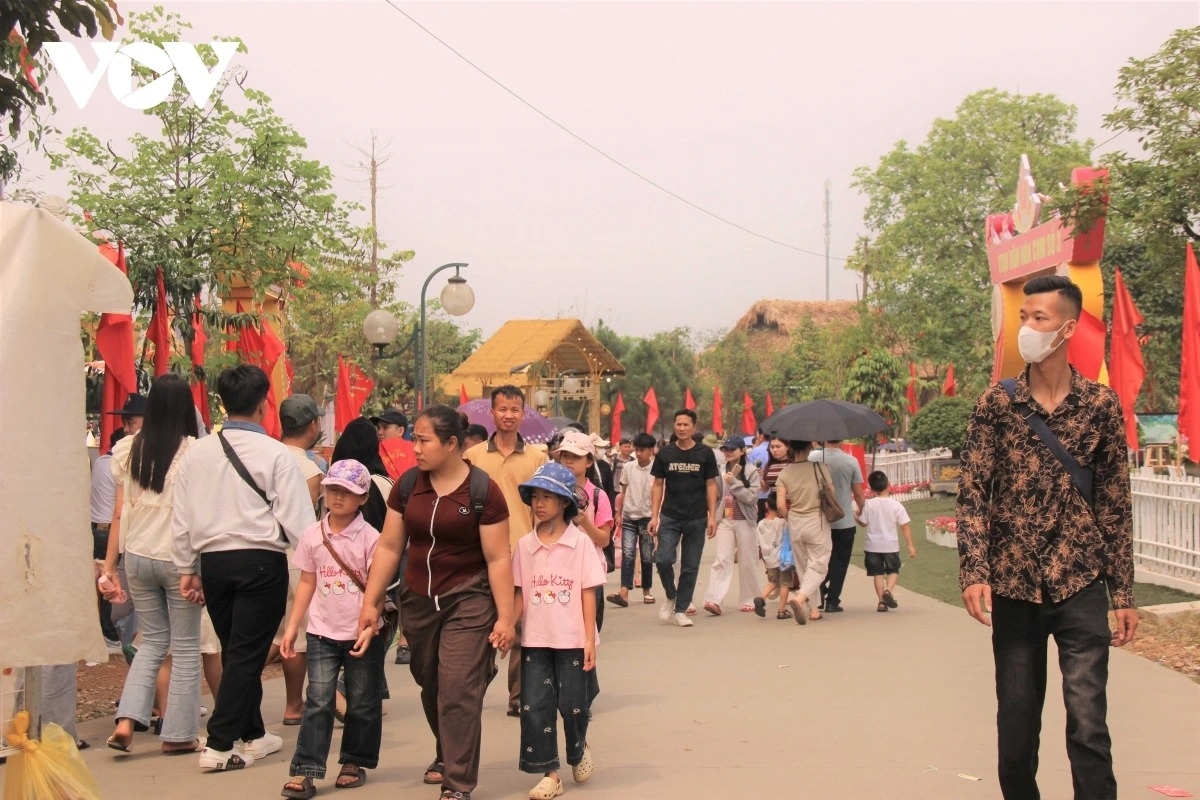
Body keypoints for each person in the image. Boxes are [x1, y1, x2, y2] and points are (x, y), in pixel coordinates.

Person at [957, 275, 1136, 800]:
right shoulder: (997, 404)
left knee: (1088, 725)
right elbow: (972, 492)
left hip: (1080, 585)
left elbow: (1115, 505)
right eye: (1024, 317)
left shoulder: (1100, 406)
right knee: (1016, 731)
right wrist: (974, 570)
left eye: (1040, 318)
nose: (1028, 328)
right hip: (1014, 586)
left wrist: (1121, 594)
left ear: (1068, 328)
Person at [358, 405, 516, 800]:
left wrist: (506, 618)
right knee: (431, 684)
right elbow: (391, 546)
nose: (415, 448)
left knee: (458, 688)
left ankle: (458, 784)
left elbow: (498, 558)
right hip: (418, 601)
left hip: (469, 599)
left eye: (423, 440)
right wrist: (371, 601)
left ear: (451, 444)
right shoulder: (408, 484)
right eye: (415, 439)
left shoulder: (483, 491)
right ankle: (449, 747)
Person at [173, 365, 316, 772]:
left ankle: (253, 734)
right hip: (260, 560)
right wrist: (313, 568)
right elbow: (299, 521)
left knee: (238, 650)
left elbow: (181, 517)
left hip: (213, 563)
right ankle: (219, 745)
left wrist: (187, 566)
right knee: (246, 654)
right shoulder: (275, 454)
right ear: (263, 403)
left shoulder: (196, 453)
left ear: (222, 402)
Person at [101, 374, 203, 755]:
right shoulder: (194, 451)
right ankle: (179, 734)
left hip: (138, 556)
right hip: (178, 560)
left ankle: (127, 721)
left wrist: (110, 567)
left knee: (153, 642)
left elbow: (118, 513)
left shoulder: (128, 449)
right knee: (187, 646)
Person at [281, 459, 385, 797]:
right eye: (333, 490)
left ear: (363, 497)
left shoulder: (372, 538)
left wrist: (371, 625)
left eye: (347, 492)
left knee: (363, 702)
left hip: (362, 632)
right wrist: (292, 627)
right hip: (322, 632)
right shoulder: (313, 534)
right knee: (318, 700)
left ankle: (354, 759)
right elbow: (307, 582)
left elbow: (377, 587)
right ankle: (306, 769)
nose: (338, 498)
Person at [511, 463, 603, 800]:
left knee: (574, 704)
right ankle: (550, 772)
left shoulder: (579, 544)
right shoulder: (524, 546)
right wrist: (508, 624)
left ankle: (578, 749)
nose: (539, 503)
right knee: (534, 705)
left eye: (547, 497)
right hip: (536, 639)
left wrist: (589, 639)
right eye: (535, 496)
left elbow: (587, 591)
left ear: (565, 502)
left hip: (573, 640)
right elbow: (519, 592)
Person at [463, 385, 547, 717]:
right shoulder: (473, 457)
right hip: (482, 555)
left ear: (522, 414)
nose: (508, 415)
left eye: (515, 409)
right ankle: (474, 687)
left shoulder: (538, 458)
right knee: (481, 626)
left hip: (526, 553)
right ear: (492, 413)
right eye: (502, 409)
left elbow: (544, 508)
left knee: (522, 629)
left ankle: (518, 696)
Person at [273, 393, 327, 725]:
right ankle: (294, 704)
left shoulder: (264, 455)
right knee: (296, 634)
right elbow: (304, 521)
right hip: (296, 557)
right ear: (312, 425)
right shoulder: (309, 469)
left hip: (261, 552)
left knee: (270, 629)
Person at [649, 409, 720, 628]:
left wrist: (712, 516)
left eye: (686, 425)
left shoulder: (705, 454)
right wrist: (654, 516)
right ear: (674, 426)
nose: (681, 428)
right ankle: (671, 595)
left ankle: (681, 609)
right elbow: (658, 485)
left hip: (697, 517)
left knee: (690, 566)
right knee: (662, 559)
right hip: (670, 516)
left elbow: (711, 485)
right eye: (678, 424)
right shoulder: (665, 454)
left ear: (694, 427)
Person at [773, 439, 831, 625]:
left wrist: (790, 517)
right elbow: (832, 491)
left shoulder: (784, 472)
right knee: (820, 563)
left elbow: (781, 505)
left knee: (804, 566)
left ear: (790, 447)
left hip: (795, 520)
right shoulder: (819, 467)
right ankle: (800, 598)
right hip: (816, 519)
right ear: (809, 446)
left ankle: (813, 609)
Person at [701, 437, 762, 615]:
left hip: (745, 519)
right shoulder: (720, 470)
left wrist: (734, 483)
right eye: (726, 449)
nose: (728, 452)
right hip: (725, 520)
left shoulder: (750, 471)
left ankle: (749, 598)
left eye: (733, 449)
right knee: (722, 559)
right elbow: (715, 493)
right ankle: (714, 599)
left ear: (742, 451)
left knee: (748, 560)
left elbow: (752, 497)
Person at [810, 441, 865, 613]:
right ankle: (833, 600)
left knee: (819, 559)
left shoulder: (812, 459)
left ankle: (817, 589)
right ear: (841, 440)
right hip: (844, 519)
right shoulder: (850, 461)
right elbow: (858, 492)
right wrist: (861, 509)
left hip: (819, 519)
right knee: (840, 561)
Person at [856, 471, 916, 613]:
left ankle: (881, 602)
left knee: (877, 573)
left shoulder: (869, 505)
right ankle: (888, 591)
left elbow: (863, 523)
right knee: (893, 570)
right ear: (888, 485)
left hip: (872, 545)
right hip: (890, 545)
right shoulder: (896, 505)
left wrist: (855, 516)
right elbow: (904, 526)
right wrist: (910, 546)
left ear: (871, 488)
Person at [608, 432, 656, 607]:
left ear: (651, 450)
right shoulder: (629, 467)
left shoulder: (656, 470)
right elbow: (623, 492)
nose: (639, 453)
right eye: (637, 450)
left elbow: (660, 494)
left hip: (647, 517)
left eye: (642, 450)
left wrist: (657, 517)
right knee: (628, 554)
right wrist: (618, 513)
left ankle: (647, 590)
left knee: (646, 555)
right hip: (629, 515)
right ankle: (624, 592)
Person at [91, 428, 125, 650]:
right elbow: (121, 508)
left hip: (94, 528)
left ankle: (103, 632)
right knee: (109, 582)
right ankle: (109, 634)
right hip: (110, 530)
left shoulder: (101, 462)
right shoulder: (118, 468)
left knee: (98, 582)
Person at [753, 490, 796, 619]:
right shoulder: (782, 523)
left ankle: (761, 598)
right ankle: (782, 610)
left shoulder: (760, 524)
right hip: (783, 560)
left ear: (766, 505)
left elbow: (758, 543)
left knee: (773, 582)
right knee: (785, 584)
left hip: (769, 560)